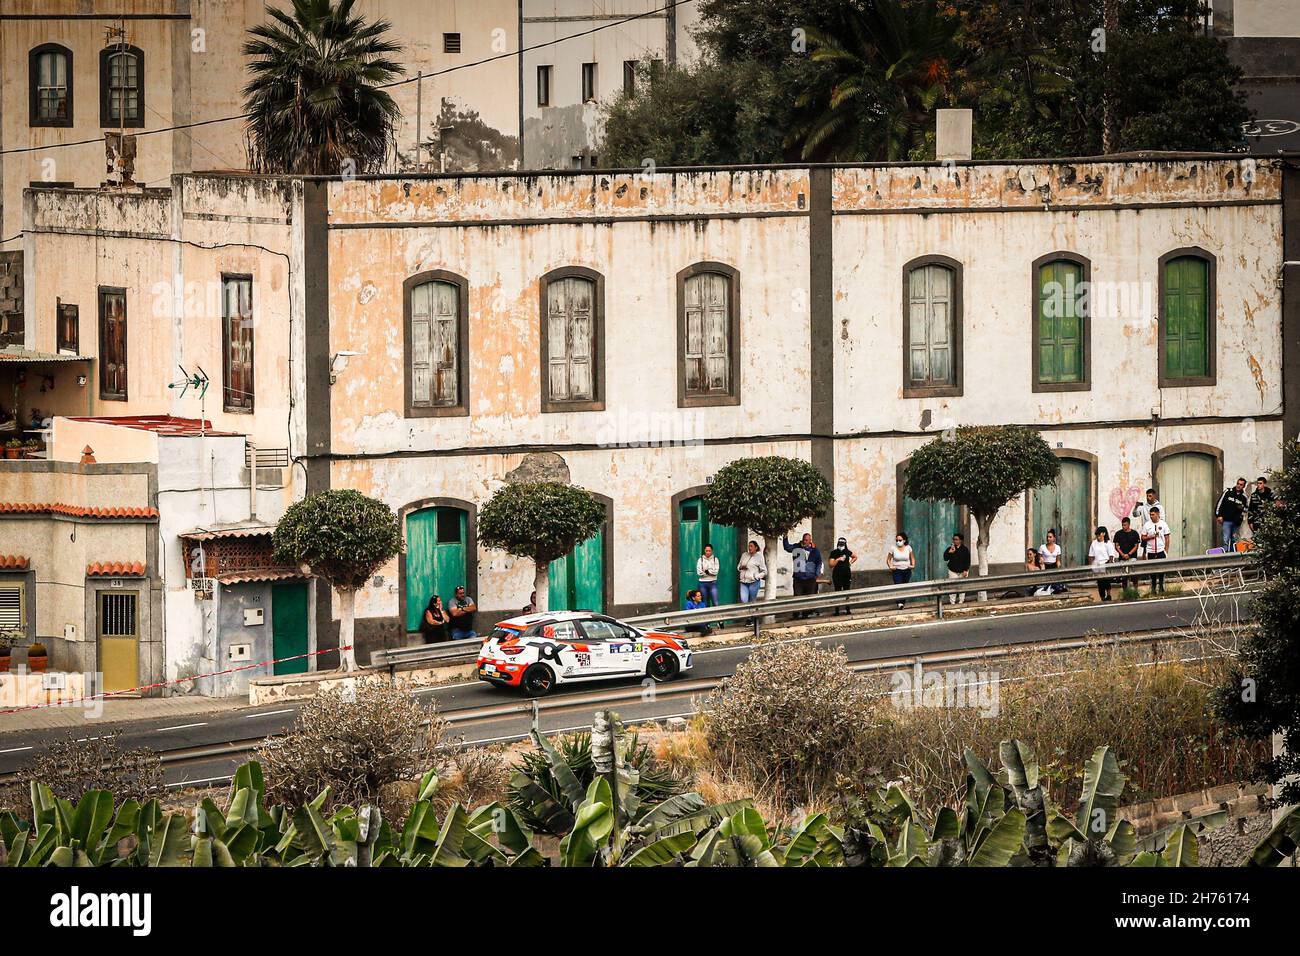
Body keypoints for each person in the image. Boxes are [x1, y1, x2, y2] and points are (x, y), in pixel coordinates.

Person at [783, 532, 823, 618]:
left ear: (810, 541)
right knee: (797, 596)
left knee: (808, 597)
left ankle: (805, 615)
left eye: (806, 540)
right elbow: (787, 547)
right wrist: (785, 537)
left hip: (810, 578)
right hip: (798, 578)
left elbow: (819, 562)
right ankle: (796, 615)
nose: (804, 542)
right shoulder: (797, 547)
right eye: (803, 539)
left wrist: (817, 574)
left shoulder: (815, 551)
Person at [1141, 506, 1171, 594]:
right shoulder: (1147, 525)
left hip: (1161, 551)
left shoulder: (1163, 524)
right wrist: (1149, 537)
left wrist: (1166, 550)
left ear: (1157, 514)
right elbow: (1142, 537)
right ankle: (1153, 588)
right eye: (1150, 514)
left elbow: (1167, 538)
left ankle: (1161, 587)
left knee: (1161, 570)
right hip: (1151, 551)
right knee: (1152, 571)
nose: (1151, 516)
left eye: (1153, 514)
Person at [1215, 477, 1249, 550]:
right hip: (1226, 520)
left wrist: (1241, 517)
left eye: (1241, 484)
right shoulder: (1228, 492)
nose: (1238, 485)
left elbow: (1246, 509)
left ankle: (1233, 556)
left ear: (1244, 486)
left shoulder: (1244, 497)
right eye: (1238, 483)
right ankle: (1225, 557)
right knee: (1225, 540)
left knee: (1234, 540)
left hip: (1236, 523)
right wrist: (1218, 515)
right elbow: (1219, 503)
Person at [828, 536, 858, 615]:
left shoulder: (847, 551)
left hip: (846, 575)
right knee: (837, 592)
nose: (841, 545)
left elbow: (855, 556)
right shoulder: (834, 552)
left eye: (842, 544)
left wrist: (850, 563)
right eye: (839, 543)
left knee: (847, 592)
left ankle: (848, 609)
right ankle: (837, 611)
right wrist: (837, 559)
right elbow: (830, 564)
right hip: (837, 575)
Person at [886, 532, 915, 610]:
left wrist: (913, 565)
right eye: (896, 540)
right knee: (898, 586)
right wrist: (890, 566)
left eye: (900, 540)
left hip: (907, 570)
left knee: (905, 587)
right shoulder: (893, 548)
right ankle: (899, 602)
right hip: (897, 570)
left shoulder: (908, 548)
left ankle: (902, 603)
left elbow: (912, 557)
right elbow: (888, 559)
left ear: (904, 540)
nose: (898, 541)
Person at [1088, 526, 1118, 601]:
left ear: (1103, 534)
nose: (1098, 536)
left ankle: (1108, 594)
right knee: (1100, 582)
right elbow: (1091, 555)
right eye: (1097, 535)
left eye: (1099, 534)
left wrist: (1109, 564)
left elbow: (1111, 555)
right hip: (1097, 564)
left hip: (1106, 563)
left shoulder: (1108, 543)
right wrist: (1091, 565)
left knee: (1106, 580)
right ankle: (1102, 597)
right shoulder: (1094, 543)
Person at [1113, 516, 1141, 591]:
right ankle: (1125, 592)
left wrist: (1129, 554)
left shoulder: (1134, 533)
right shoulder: (1118, 533)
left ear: (1129, 524)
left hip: (1132, 557)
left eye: (1125, 525)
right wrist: (1122, 554)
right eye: (1122, 525)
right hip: (1122, 558)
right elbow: (1116, 546)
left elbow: (1136, 546)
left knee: (1134, 575)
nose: (1123, 526)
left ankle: (1136, 590)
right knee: (1124, 576)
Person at [942, 532, 971, 605]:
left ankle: (961, 601)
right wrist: (950, 552)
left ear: (960, 540)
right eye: (953, 539)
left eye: (956, 539)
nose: (955, 541)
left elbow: (967, 560)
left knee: (962, 587)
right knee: (952, 587)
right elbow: (945, 558)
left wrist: (966, 570)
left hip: (962, 571)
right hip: (953, 571)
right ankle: (952, 602)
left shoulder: (965, 549)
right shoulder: (951, 548)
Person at [1132, 488, 1162, 556]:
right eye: (1147, 496)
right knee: (1145, 551)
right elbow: (1135, 514)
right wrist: (1136, 507)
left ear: (1154, 496)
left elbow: (1162, 520)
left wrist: (1159, 530)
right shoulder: (1143, 507)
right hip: (1146, 533)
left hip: (1156, 532)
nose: (1148, 498)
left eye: (1150, 496)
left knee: (1158, 550)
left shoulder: (1159, 507)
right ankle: (1145, 565)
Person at [1038, 529, 1067, 593]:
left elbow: (1058, 560)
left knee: (1055, 584)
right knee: (1046, 584)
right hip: (1045, 566)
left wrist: (1059, 568)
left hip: (1053, 566)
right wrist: (1041, 562)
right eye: (1047, 537)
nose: (1048, 539)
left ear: (1054, 538)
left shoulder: (1057, 547)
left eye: (1050, 537)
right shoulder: (1042, 547)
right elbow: (1040, 558)